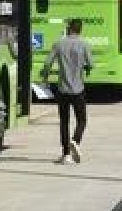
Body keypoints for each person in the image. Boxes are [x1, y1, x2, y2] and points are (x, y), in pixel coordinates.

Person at [41, 18, 93, 164]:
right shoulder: (84, 44)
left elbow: (47, 63)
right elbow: (90, 64)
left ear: (69, 28)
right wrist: (85, 68)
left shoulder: (58, 43)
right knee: (82, 120)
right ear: (80, 29)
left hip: (62, 89)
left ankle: (66, 155)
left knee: (64, 121)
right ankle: (75, 141)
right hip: (78, 89)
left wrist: (45, 76)